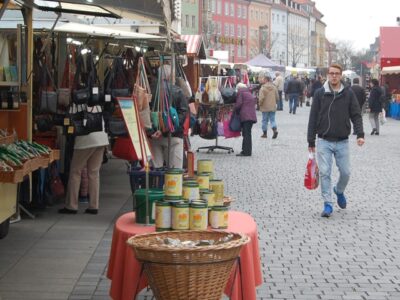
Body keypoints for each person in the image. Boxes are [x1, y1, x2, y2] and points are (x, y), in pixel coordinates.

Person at [307, 63, 365, 218]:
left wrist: (360, 134)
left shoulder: (348, 93)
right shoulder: (320, 94)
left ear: (341, 75)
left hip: (342, 141)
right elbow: (313, 118)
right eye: (331, 73)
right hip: (324, 140)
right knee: (325, 173)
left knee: (346, 172)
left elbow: (356, 114)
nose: (334, 76)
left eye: (337, 73)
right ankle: (327, 204)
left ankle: (338, 191)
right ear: (328, 75)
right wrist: (310, 141)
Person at [59, 120, 109, 215]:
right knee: (94, 173)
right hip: (101, 138)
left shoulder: (78, 105)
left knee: (75, 171)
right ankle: (94, 206)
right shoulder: (98, 105)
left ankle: (71, 206)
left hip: (85, 140)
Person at [149, 65, 189, 168]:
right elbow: (183, 112)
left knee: (156, 169)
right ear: (170, 76)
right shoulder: (177, 91)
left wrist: (154, 130)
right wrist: (170, 127)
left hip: (155, 136)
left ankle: (157, 183)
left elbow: (146, 113)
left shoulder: (150, 91)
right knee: (174, 170)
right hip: (174, 135)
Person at [234, 82, 257, 157]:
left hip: (245, 116)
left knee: (246, 134)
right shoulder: (248, 92)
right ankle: (246, 150)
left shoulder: (241, 93)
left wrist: (235, 111)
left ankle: (246, 152)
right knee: (247, 134)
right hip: (251, 115)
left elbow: (238, 104)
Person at [259, 73, 279, 139]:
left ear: (265, 80)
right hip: (272, 106)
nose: (262, 80)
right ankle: (274, 130)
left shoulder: (263, 88)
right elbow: (277, 97)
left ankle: (265, 134)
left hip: (265, 107)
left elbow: (261, 98)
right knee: (272, 120)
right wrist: (275, 102)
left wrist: (260, 104)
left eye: (263, 79)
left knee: (264, 120)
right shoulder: (274, 87)